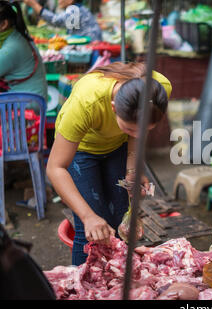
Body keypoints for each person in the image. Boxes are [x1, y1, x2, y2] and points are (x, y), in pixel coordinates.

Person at [46, 62, 172, 265]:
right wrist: (88, 217)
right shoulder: (87, 101)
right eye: (130, 129)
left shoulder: (159, 90)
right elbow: (55, 168)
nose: (139, 135)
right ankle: (83, 291)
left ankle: (115, 284)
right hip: (81, 149)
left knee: (119, 220)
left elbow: (135, 136)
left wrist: (132, 169)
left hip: (117, 146)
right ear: (113, 108)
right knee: (92, 229)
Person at [0, 1, 47, 100]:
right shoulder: (14, 36)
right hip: (30, 98)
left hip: (26, 106)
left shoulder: (10, 49)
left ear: (4, 24)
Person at [23, 0, 102, 41]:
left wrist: (34, 5)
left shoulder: (75, 10)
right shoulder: (78, 9)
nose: (59, 1)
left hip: (92, 46)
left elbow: (55, 20)